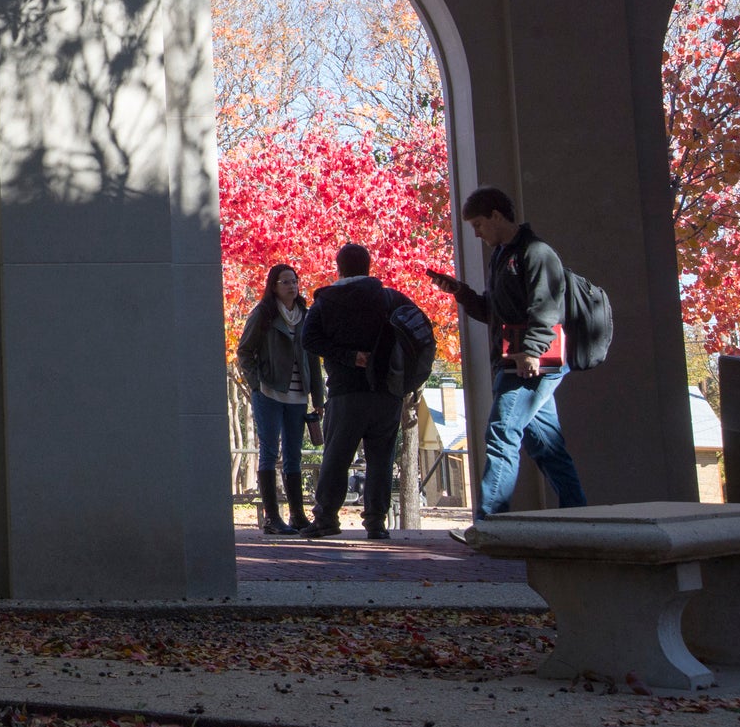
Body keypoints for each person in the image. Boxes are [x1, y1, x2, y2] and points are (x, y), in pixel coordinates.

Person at [428, 187, 586, 528]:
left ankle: (490, 524)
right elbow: (494, 312)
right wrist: (462, 294)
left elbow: (547, 308)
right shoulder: (501, 257)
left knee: (501, 433)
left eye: (479, 224)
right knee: (547, 447)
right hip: (517, 358)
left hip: (530, 362)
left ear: (497, 216)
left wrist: (532, 351)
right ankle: (580, 517)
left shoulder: (536, 252)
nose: (476, 233)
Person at [300, 242, 416, 540]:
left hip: (345, 392)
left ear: (338, 268)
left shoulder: (325, 302)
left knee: (337, 456)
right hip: (387, 392)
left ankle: (326, 518)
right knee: (381, 459)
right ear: (369, 266)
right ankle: (376, 522)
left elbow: (309, 340)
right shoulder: (391, 298)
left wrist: (347, 356)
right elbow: (419, 333)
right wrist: (407, 378)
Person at [234, 262, 324, 535]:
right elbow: (244, 352)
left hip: (298, 395)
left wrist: (318, 397)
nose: (292, 285)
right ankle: (273, 518)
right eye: (285, 281)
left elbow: (313, 357)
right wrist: (257, 384)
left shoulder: (305, 315)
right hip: (270, 392)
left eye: (294, 280)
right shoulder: (264, 314)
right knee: (269, 452)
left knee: (293, 455)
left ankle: (298, 515)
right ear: (273, 286)